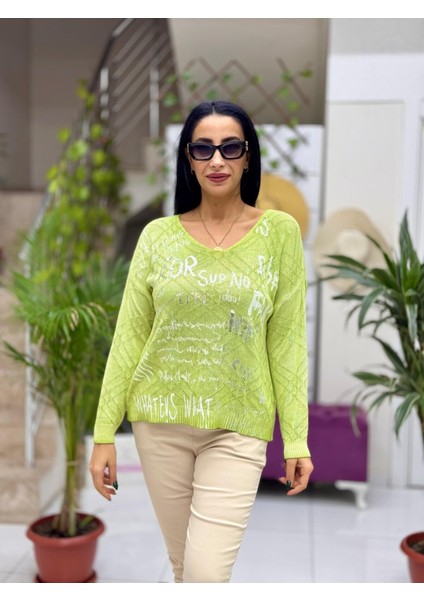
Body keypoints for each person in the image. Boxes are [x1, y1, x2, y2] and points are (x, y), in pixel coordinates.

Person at [89, 100, 314, 583]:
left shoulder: (279, 233)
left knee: (206, 575)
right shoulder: (157, 237)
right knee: (184, 571)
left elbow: (288, 342)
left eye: (230, 148)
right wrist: (105, 432)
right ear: (188, 159)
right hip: (159, 422)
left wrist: (296, 437)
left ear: (248, 157)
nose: (217, 160)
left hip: (238, 426)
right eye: (203, 148)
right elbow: (129, 336)